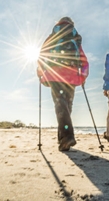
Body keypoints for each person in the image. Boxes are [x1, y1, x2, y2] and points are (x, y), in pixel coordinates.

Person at [37, 17, 89, 151]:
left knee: (60, 104)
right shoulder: (75, 39)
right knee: (67, 106)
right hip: (71, 75)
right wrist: (83, 76)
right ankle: (63, 140)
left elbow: (42, 54)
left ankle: (67, 137)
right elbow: (83, 59)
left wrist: (40, 71)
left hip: (55, 74)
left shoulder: (53, 35)